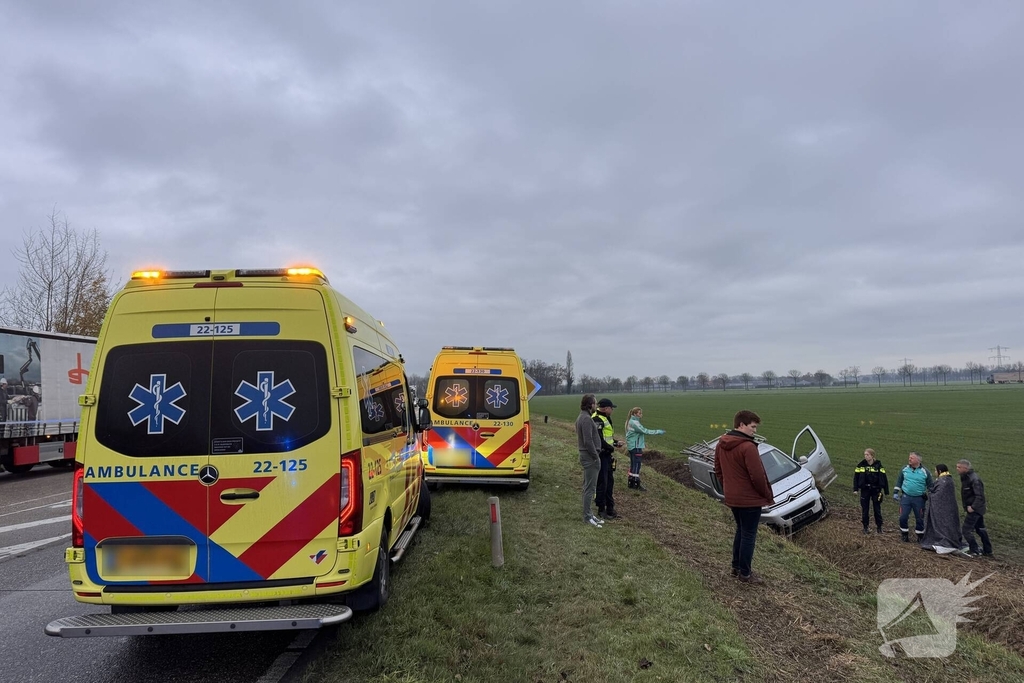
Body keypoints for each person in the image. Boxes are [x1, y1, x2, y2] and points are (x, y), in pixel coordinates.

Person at [714, 410, 774, 584]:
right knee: (748, 535)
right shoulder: (748, 447)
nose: (754, 431)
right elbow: (758, 476)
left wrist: (729, 487)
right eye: (752, 427)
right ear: (741, 425)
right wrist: (766, 494)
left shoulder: (721, 443)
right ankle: (745, 574)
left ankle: (736, 567)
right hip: (749, 499)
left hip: (733, 498)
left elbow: (718, 469)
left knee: (741, 530)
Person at [918, 464, 963, 554]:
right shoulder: (947, 479)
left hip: (944, 510)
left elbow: (939, 495)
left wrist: (929, 495)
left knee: (943, 525)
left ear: (939, 471)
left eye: (935, 470)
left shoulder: (944, 481)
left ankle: (944, 541)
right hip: (948, 509)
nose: (934, 472)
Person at [575, 394, 604, 528]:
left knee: (588, 486)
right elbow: (588, 441)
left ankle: (590, 513)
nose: (596, 405)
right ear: (590, 404)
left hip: (588, 455)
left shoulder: (583, 417)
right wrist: (595, 456)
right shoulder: (586, 419)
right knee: (590, 488)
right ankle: (587, 517)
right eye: (595, 403)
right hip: (589, 456)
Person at [592, 398, 623, 519]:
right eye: (611, 408)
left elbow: (607, 437)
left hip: (607, 454)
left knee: (609, 482)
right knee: (602, 483)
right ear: (605, 408)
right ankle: (601, 509)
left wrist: (615, 443)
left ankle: (610, 509)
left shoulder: (604, 418)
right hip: (601, 455)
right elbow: (598, 440)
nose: (612, 410)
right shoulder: (597, 419)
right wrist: (611, 448)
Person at [893, 451, 933, 543]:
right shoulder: (904, 469)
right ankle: (904, 535)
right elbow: (899, 481)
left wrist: (933, 496)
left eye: (912, 458)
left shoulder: (925, 472)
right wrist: (896, 492)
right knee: (903, 517)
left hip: (919, 499)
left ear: (918, 460)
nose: (909, 459)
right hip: (906, 497)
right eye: (909, 457)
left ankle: (920, 536)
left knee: (919, 518)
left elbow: (931, 486)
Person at [956, 459, 993, 557]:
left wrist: (972, 507)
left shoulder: (974, 479)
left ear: (966, 468)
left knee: (966, 530)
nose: (957, 469)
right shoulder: (965, 477)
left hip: (975, 509)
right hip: (978, 509)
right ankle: (988, 550)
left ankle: (975, 550)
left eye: (959, 467)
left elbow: (979, 496)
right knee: (980, 529)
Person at [624, 407, 665, 491]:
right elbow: (645, 431)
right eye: (639, 413)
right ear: (635, 414)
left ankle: (631, 482)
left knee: (633, 464)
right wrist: (657, 432)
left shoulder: (630, 421)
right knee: (637, 465)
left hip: (632, 446)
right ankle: (636, 483)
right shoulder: (635, 423)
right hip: (636, 446)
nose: (641, 415)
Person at [853, 448, 889, 534]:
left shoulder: (879, 466)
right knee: (865, 509)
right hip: (865, 490)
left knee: (877, 509)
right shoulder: (861, 465)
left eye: (867, 455)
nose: (865, 456)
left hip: (876, 490)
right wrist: (855, 489)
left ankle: (879, 527)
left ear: (872, 456)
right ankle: (865, 527)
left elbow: (884, 478)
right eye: (865, 455)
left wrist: (886, 491)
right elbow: (856, 478)